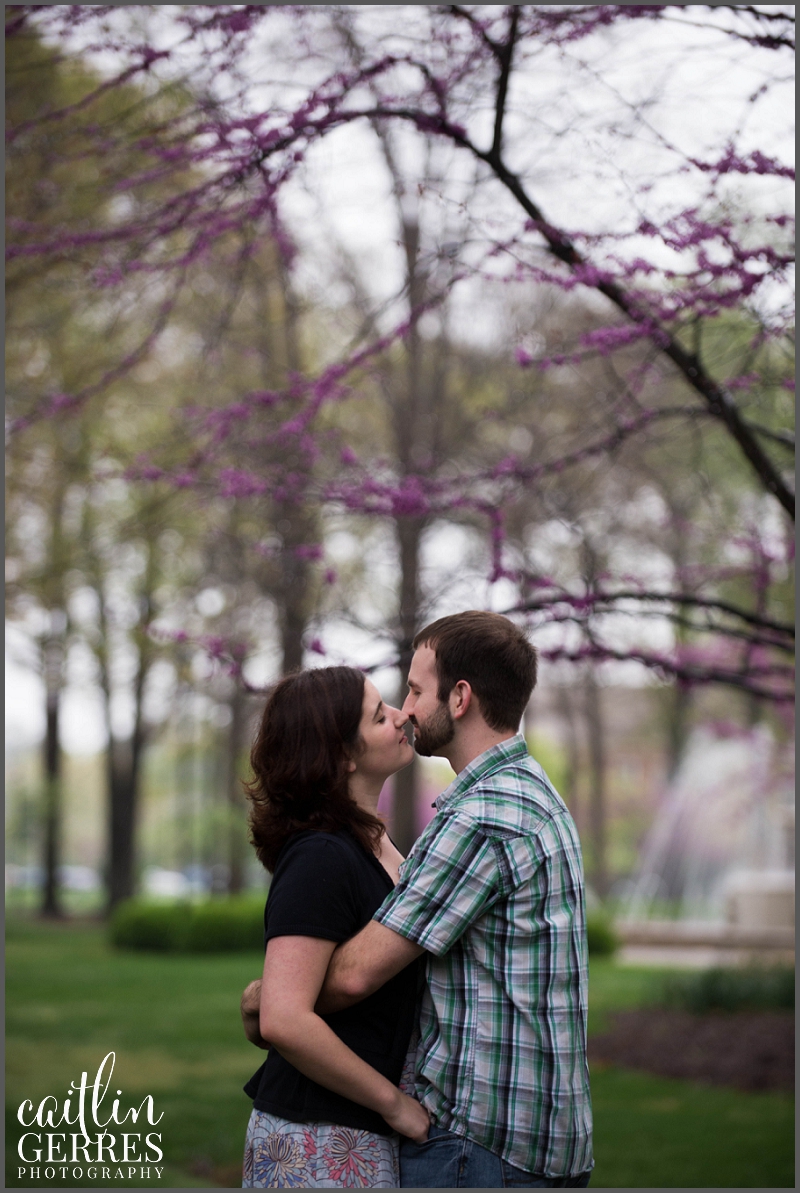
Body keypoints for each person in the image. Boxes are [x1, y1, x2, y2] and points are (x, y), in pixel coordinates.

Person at [313, 611, 594, 1188]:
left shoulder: (483, 814)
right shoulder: (532, 792)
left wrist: (272, 996)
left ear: (460, 697)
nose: (407, 709)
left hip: (481, 1144)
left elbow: (355, 976)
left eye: (416, 690)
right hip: (543, 1140)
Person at [238, 665, 429, 1189]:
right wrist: (394, 1105)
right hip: (317, 1139)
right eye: (378, 715)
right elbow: (283, 1018)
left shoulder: (377, 844)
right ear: (342, 755)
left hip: (353, 1134)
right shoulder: (321, 855)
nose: (401, 715)